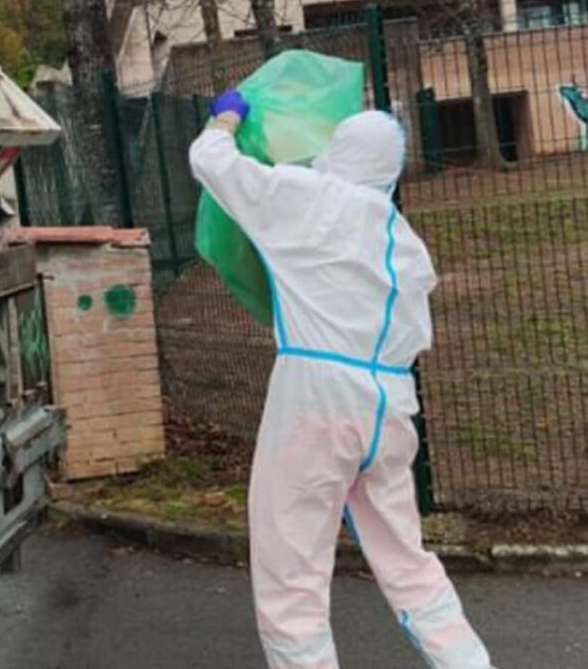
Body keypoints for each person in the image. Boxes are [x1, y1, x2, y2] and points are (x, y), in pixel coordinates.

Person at [189, 89, 495, 669]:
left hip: (316, 397)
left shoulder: (306, 199)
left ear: (341, 149)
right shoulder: (404, 241)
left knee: (291, 571)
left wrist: (225, 118)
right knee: (407, 561)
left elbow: (211, 163)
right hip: (390, 406)